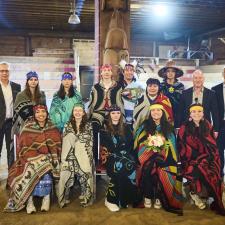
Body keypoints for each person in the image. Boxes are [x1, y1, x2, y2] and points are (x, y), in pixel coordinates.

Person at [4, 104, 61, 214]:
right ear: (34, 114)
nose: (41, 114)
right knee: (31, 167)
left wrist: (47, 155)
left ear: (47, 113)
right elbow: (24, 147)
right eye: (38, 112)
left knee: (47, 166)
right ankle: (29, 200)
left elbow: (56, 145)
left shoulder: (52, 126)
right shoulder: (28, 126)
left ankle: (46, 197)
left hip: (49, 157)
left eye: (43, 112)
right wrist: (36, 157)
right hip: (29, 157)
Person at [134, 103, 182, 215]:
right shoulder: (144, 125)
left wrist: (161, 148)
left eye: (158, 110)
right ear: (150, 113)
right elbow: (138, 141)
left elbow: (172, 144)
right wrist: (149, 147)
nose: (156, 112)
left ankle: (160, 196)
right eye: (153, 110)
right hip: (146, 154)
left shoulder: (168, 126)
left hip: (165, 155)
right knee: (147, 166)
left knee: (163, 167)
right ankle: (148, 194)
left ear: (163, 113)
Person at [177, 103, 225, 215]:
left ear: (203, 114)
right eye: (194, 111)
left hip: (207, 157)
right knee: (198, 168)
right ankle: (195, 193)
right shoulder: (184, 127)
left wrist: (207, 157)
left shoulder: (208, 125)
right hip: (189, 159)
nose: (196, 114)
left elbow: (213, 146)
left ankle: (213, 199)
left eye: (199, 111)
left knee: (212, 171)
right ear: (190, 114)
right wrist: (196, 157)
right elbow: (181, 146)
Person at [100, 105, 140, 212]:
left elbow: (130, 145)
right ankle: (110, 199)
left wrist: (127, 154)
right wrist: (119, 152)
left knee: (131, 164)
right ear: (109, 115)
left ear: (121, 114)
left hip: (125, 155)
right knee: (120, 167)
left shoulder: (127, 127)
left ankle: (124, 199)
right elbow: (106, 147)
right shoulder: (104, 128)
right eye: (113, 113)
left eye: (118, 113)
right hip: (110, 156)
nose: (116, 115)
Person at [58, 103, 95, 208]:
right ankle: (64, 196)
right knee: (65, 168)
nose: (78, 112)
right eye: (75, 110)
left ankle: (86, 194)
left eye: (80, 110)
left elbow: (89, 142)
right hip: (69, 154)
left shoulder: (88, 125)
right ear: (73, 113)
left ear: (83, 113)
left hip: (84, 154)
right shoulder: (67, 124)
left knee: (86, 167)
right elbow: (65, 141)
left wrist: (77, 144)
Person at [88, 64, 124, 163]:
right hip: (98, 113)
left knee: (115, 131)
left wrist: (122, 117)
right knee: (94, 129)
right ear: (101, 73)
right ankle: (95, 158)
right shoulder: (95, 87)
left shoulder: (118, 87)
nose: (107, 72)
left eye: (108, 70)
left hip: (113, 113)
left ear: (111, 73)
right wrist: (88, 117)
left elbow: (120, 102)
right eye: (104, 70)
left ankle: (114, 158)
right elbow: (91, 103)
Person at [176, 70, 219, 137]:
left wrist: (216, 129)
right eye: (195, 78)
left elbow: (215, 113)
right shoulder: (185, 93)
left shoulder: (211, 94)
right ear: (192, 79)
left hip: (205, 127)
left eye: (200, 78)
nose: (198, 80)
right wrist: (178, 126)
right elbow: (180, 111)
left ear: (203, 79)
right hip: (188, 127)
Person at [0, 61, 21, 169]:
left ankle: (11, 178)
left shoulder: (17, 87)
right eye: (2, 71)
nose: (4, 73)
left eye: (6, 71)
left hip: (11, 123)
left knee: (11, 151)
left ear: (10, 72)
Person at [12, 71, 46, 136]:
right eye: (31, 79)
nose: (33, 81)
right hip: (24, 126)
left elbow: (44, 110)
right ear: (27, 81)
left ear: (38, 81)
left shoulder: (42, 94)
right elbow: (17, 111)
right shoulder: (20, 95)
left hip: (39, 125)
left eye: (35, 79)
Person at [158, 60, 184, 127]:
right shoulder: (160, 86)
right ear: (165, 73)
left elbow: (179, 100)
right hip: (163, 114)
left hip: (177, 114)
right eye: (168, 71)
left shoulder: (180, 86)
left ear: (176, 73)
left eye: (173, 71)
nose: (170, 73)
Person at [118, 60, 144, 126]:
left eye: (131, 70)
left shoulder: (139, 85)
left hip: (135, 113)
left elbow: (142, 98)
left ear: (134, 72)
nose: (129, 72)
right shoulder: (117, 85)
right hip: (120, 114)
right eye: (127, 70)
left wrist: (129, 93)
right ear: (123, 72)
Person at [212, 69, 225, 178]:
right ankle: (220, 175)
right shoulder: (215, 90)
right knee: (219, 151)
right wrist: (215, 128)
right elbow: (214, 111)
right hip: (221, 126)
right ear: (223, 74)